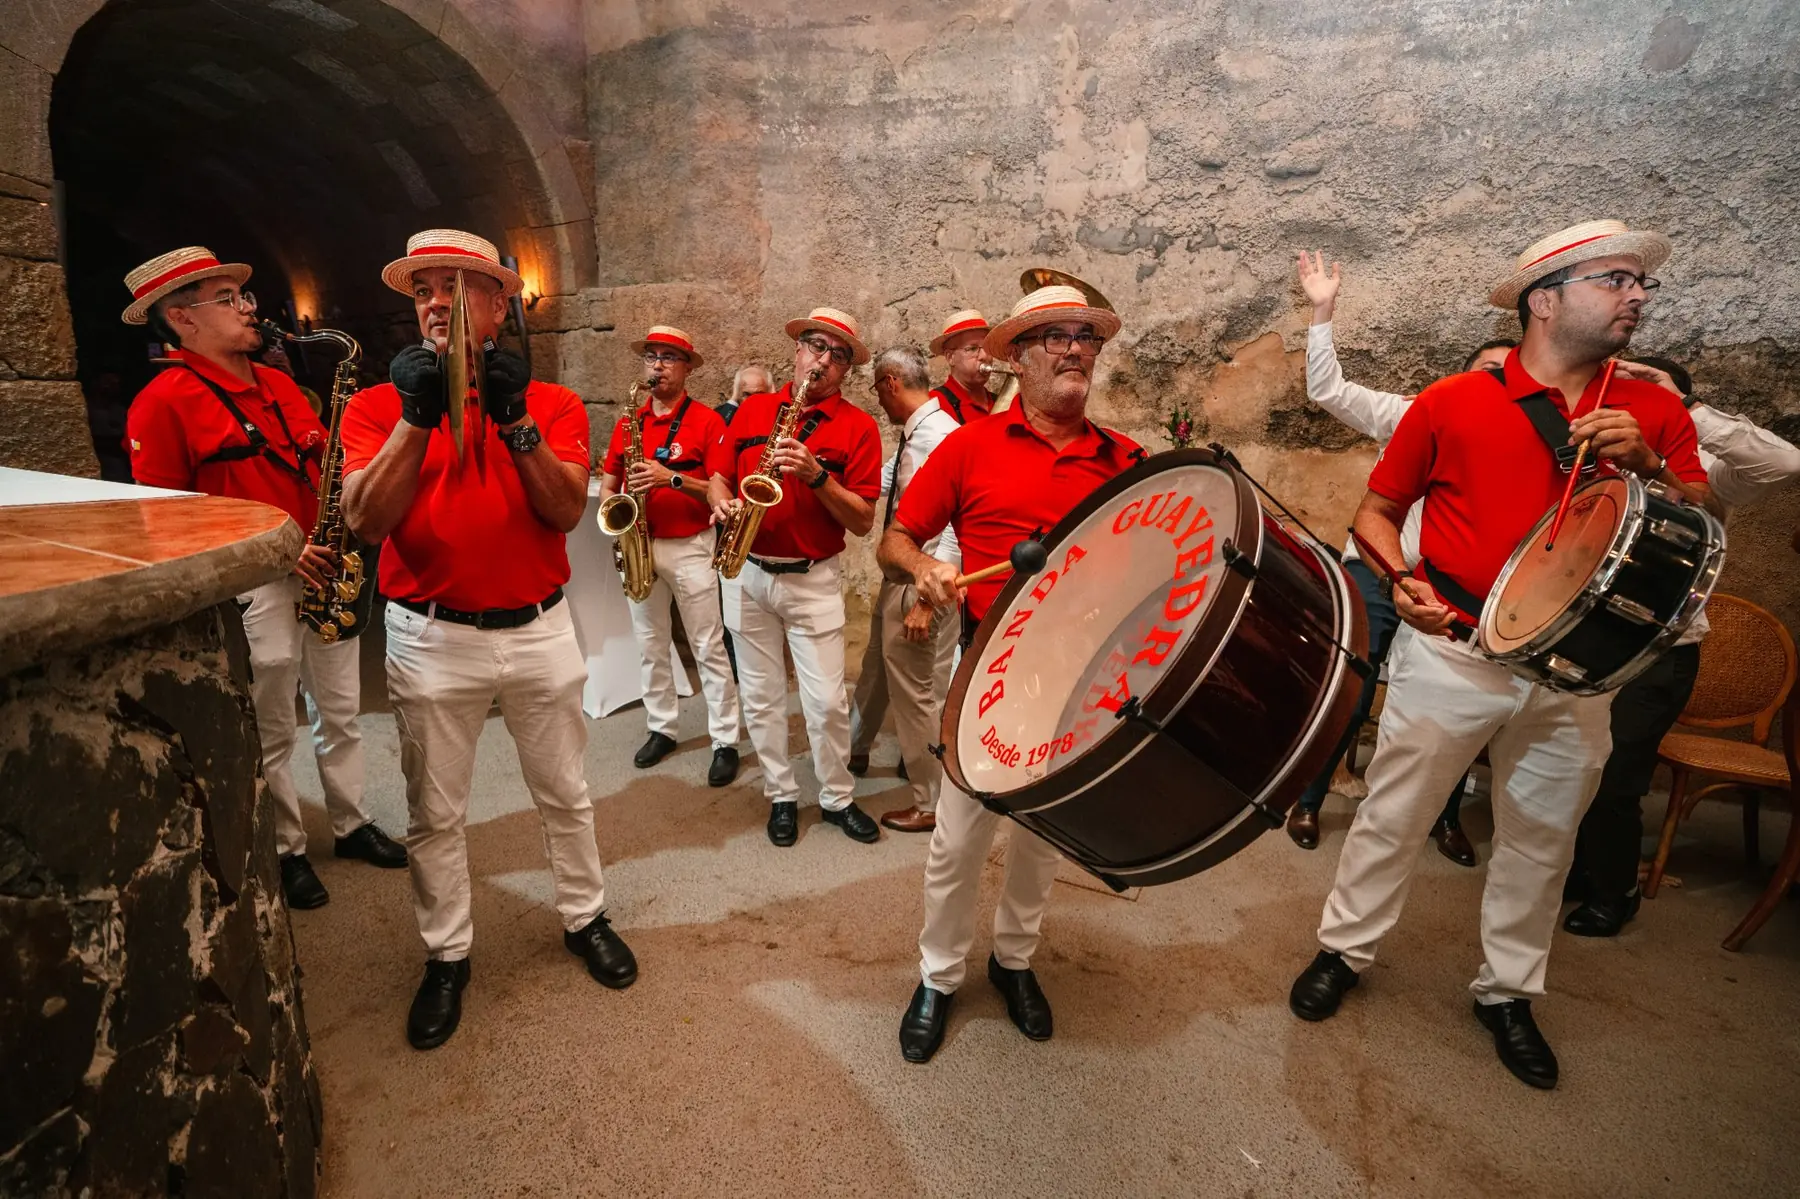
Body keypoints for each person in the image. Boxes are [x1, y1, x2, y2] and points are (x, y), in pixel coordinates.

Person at [1287, 220, 1714, 1090]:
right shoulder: (1452, 401)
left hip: (1577, 673)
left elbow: (1708, 518)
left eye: (1642, 283)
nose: (1638, 295)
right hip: (1457, 648)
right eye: (1616, 279)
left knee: (1541, 839)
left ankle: (1508, 992)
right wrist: (1400, 580)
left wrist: (1655, 473)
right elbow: (1375, 513)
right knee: (1394, 811)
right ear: (1545, 300)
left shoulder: (1657, 410)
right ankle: (1344, 949)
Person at [340, 229, 636, 1051]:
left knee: (566, 790)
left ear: (500, 305)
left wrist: (514, 421)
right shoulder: (373, 405)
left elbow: (564, 509)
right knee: (435, 811)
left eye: (459, 285)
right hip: (434, 638)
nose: (436, 301)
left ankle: (584, 917)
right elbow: (367, 520)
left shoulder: (551, 404)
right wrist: (413, 418)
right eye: (425, 289)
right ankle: (447, 955)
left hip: (539, 628)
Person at [882, 284, 1142, 1063]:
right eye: (1055, 337)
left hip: (1078, 681)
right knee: (959, 840)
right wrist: (925, 565)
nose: (1074, 349)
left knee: (1041, 839)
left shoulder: (1126, 461)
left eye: (1086, 338)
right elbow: (893, 540)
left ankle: (1015, 960)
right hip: (988, 668)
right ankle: (937, 975)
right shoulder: (968, 446)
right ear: (1018, 357)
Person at [122, 246, 405, 913]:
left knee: (340, 709)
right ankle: (286, 846)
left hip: (326, 562)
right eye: (230, 298)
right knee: (273, 722)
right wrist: (273, 554)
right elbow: (167, 525)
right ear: (181, 318)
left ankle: (351, 821)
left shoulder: (280, 383)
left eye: (243, 295)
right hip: (257, 583)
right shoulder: (161, 402)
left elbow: (321, 464)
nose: (250, 307)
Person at [1283, 250, 1515, 867]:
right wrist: (1323, 309)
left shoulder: (1527, 446)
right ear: (1461, 381)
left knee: (1456, 709)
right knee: (1351, 692)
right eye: (1484, 371)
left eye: (1506, 373)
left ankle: (1443, 820)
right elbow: (1327, 389)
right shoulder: (1419, 413)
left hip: (1452, 592)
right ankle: (1308, 800)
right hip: (1378, 572)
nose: (1495, 381)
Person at [1563, 354, 1800, 935]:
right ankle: (1574, 868)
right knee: (1570, 765)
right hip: (1592, 637)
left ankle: (1614, 891)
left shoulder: (1705, 467)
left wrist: (1685, 409)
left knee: (1619, 775)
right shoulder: (1591, 450)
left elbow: (1788, 462)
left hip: (1663, 648)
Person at [706, 308, 885, 847]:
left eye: (838, 354)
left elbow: (861, 519)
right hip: (746, 572)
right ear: (797, 352)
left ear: (847, 369)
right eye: (815, 347)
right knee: (759, 696)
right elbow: (717, 475)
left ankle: (836, 796)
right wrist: (721, 504)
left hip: (812, 579)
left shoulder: (859, 427)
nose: (823, 361)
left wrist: (817, 475)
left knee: (826, 700)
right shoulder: (754, 409)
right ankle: (781, 795)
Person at [599, 326, 741, 785]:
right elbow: (609, 477)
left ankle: (725, 739)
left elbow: (721, 489)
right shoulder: (629, 422)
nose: (657, 366)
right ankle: (662, 727)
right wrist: (610, 511)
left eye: (668, 358)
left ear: (686, 368)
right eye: (651, 357)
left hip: (691, 547)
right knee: (650, 645)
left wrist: (671, 479)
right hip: (640, 545)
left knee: (707, 645)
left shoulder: (707, 421)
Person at [847, 346, 963, 833]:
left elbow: (954, 528)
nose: (878, 399)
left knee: (918, 699)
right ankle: (854, 746)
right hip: (902, 580)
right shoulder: (917, 434)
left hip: (922, 590)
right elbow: (889, 484)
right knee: (876, 663)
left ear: (891, 383)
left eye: (877, 388)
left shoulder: (940, 438)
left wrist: (923, 598)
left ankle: (931, 801)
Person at [927, 310, 995, 424]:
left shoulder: (1001, 400)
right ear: (950, 357)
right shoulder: (934, 405)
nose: (984, 356)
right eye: (972, 349)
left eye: (987, 347)